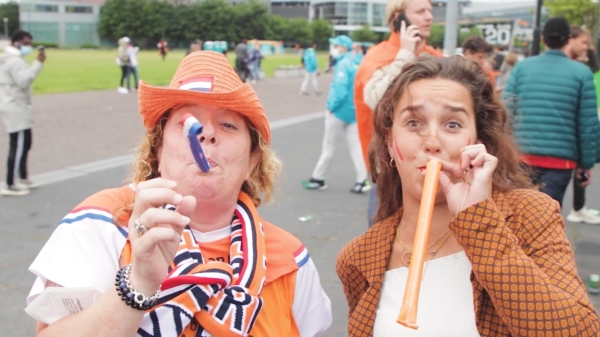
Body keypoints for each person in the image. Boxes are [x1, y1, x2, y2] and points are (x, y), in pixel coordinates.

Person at [26, 51, 332, 336]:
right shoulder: (102, 223)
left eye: (227, 124)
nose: (206, 132)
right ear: (158, 149)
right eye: (187, 121)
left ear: (253, 160)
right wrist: (138, 284)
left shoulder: (290, 259)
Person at [336, 55, 600, 336]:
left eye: (452, 124)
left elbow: (579, 332)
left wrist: (480, 225)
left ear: (476, 141)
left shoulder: (529, 216)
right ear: (390, 142)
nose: (432, 142)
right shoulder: (359, 257)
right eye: (414, 123)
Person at [354, 0, 441, 226]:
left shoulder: (433, 56)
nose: (429, 16)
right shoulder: (379, 54)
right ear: (398, 19)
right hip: (389, 167)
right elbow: (376, 99)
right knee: (382, 244)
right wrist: (405, 54)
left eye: (430, 10)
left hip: (433, 164)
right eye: (421, 11)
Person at [503, 18, 599, 208]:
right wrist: (586, 163)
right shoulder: (582, 73)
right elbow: (587, 124)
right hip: (560, 161)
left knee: (517, 213)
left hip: (522, 155)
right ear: (567, 40)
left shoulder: (522, 68)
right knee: (548, 217)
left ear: (543, 39)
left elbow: (506, 110)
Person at [302, 35, 370, 194]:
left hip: (339, 111)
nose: (334, 49)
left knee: (329, 145)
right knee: (356, 147)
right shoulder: (357, 62)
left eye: (337, 46)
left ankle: (318, 178)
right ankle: (362, 179)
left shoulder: (343, 64)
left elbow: (340, 89)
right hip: (354, 111)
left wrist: (331, 106)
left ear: (343, 47)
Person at [0, 30, 46, 196]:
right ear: (17, 42)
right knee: (18, 145)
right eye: (26, 43)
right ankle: (11, 183)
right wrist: (38, 63)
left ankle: (23, 176)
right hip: (15, 107)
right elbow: (23, 80)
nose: (29, 47)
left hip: (16, 106)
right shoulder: (14, 61)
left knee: (25, 143)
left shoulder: (11, 59)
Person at [562, 26, 600, 224]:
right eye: (583, 42)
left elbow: (595, 65)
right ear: (570, 40)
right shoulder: (576, 71)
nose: (586, 47)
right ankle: (578, 208)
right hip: (565, 135)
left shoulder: (581, 67)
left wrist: (589, 46)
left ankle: (579, 207)